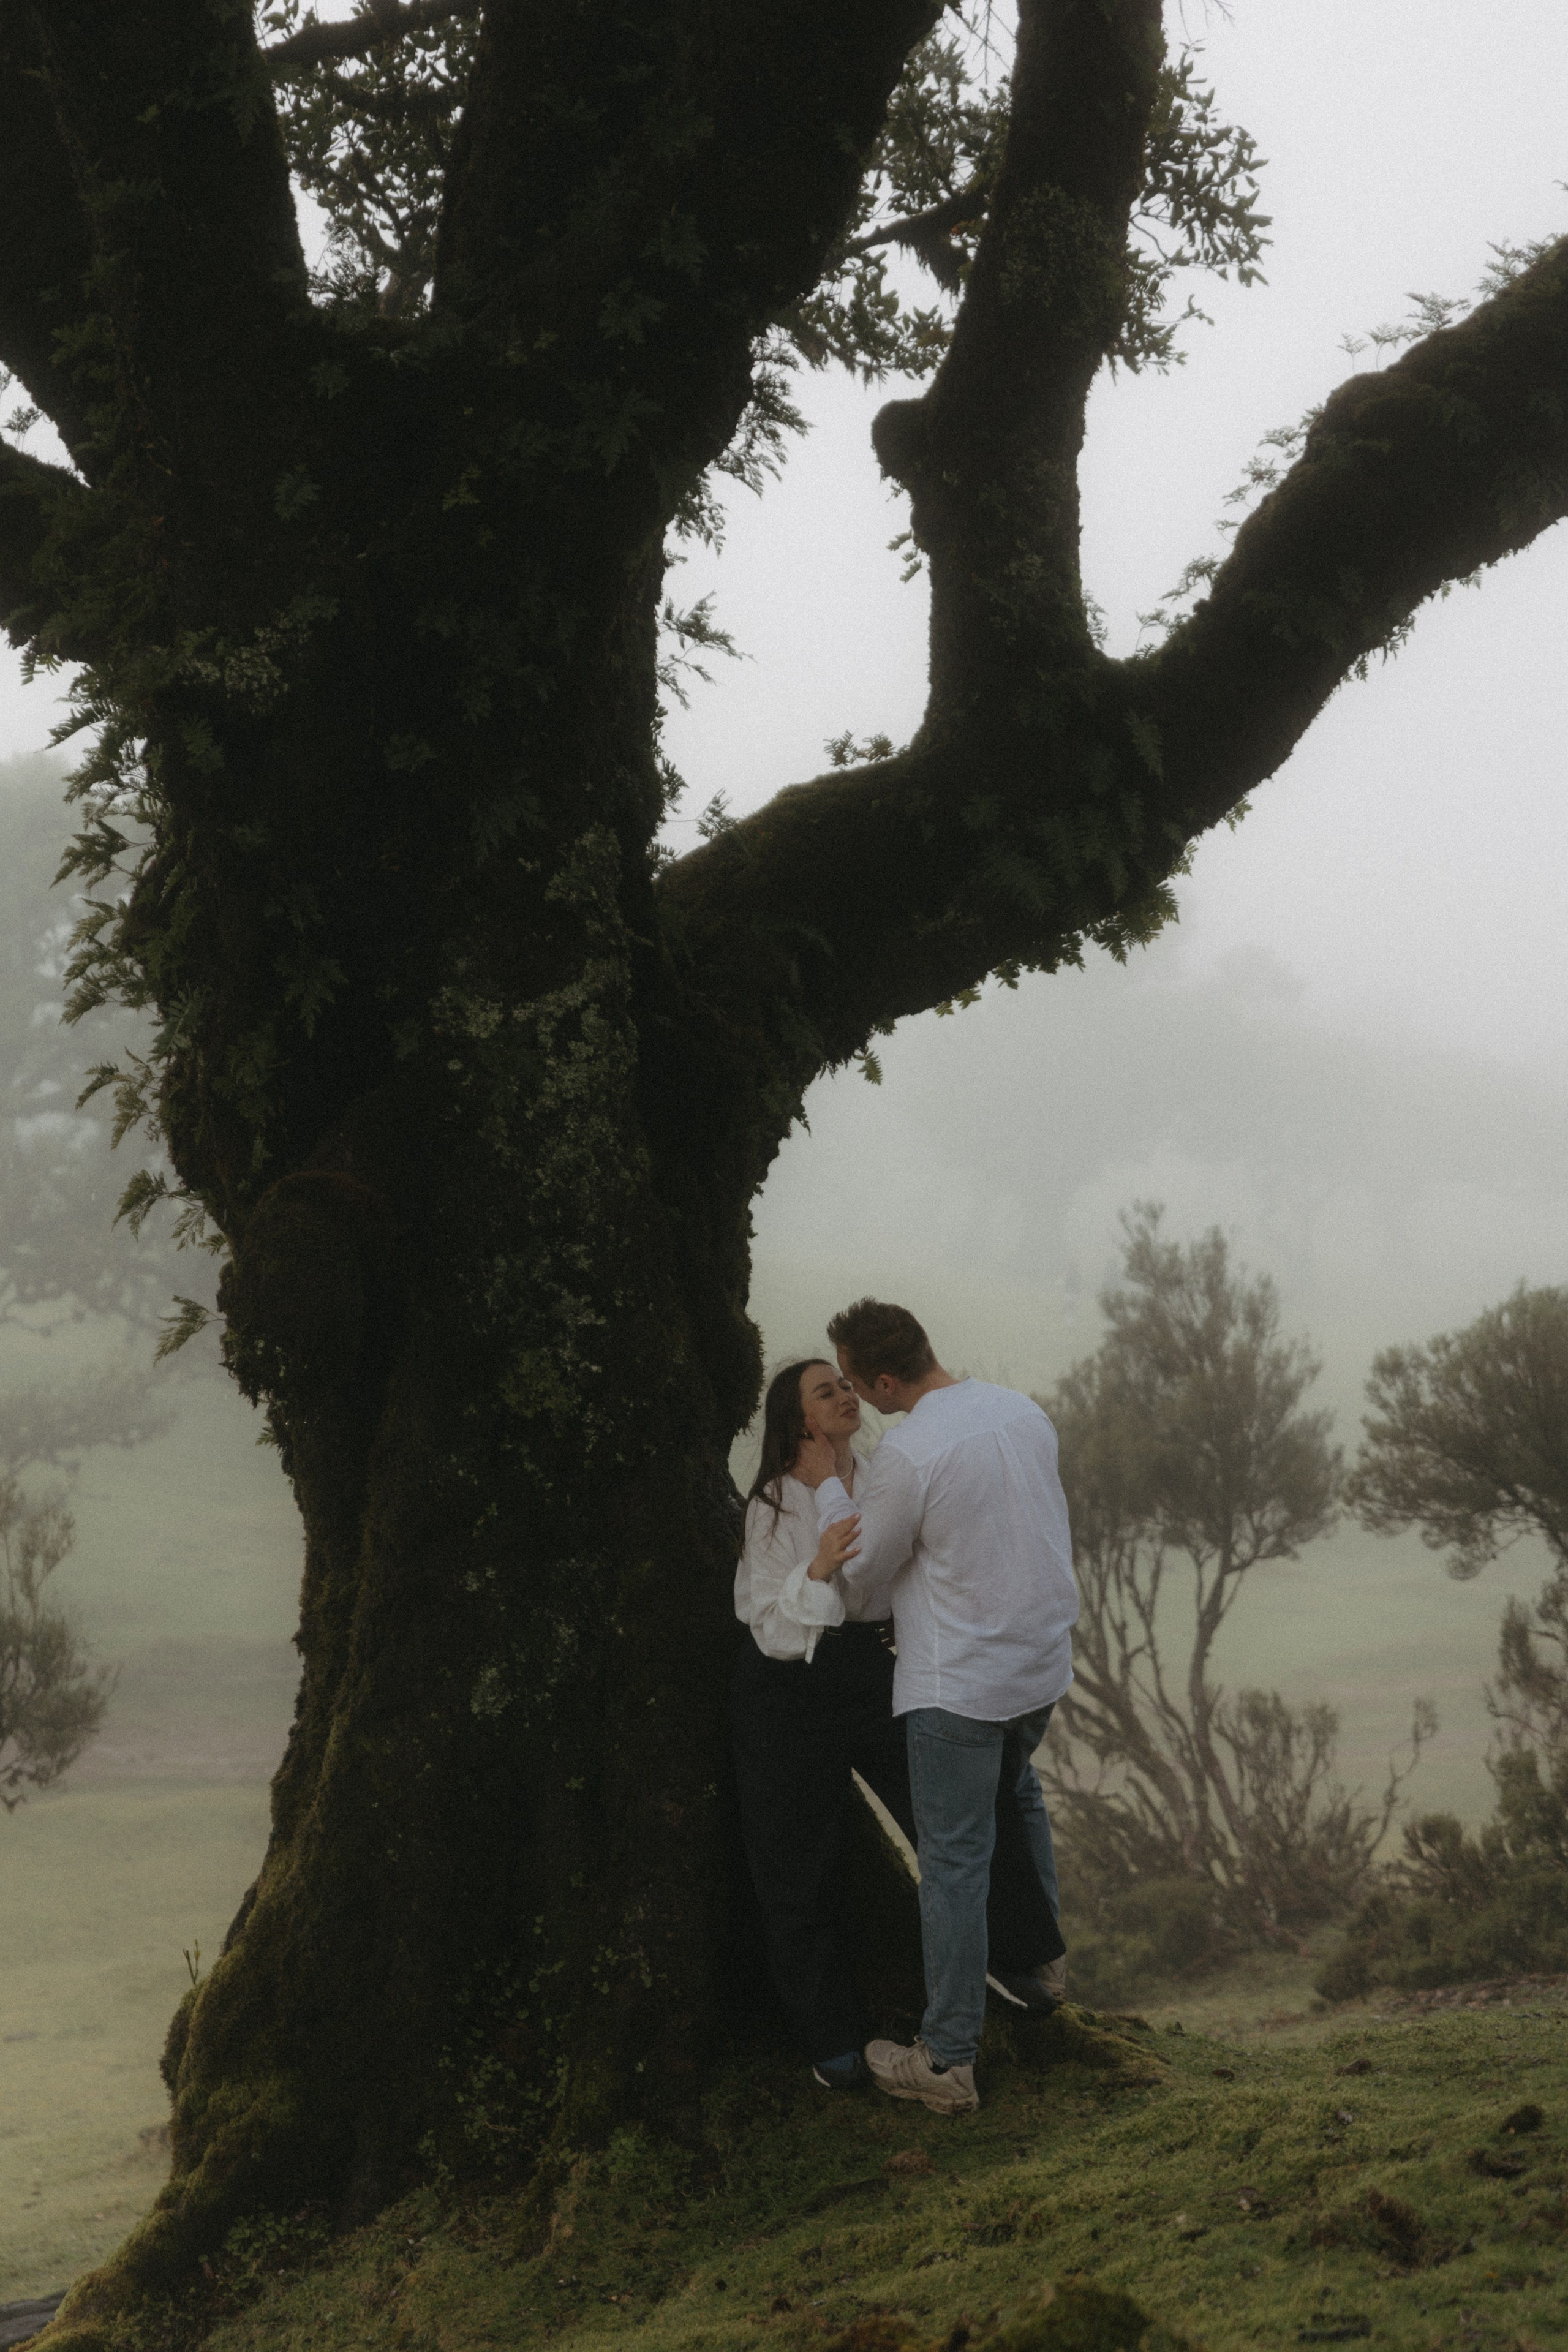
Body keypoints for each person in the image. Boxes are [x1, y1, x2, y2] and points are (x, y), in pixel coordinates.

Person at [731, 1356, 1063, 2092]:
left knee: (957, 1811)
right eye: (828, 1391)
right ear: (799, 1421)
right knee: (799, 1860)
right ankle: (832, 2041)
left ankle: (1020, 1961)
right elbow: (770, 1625)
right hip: (788, 1690)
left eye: (847, 1384)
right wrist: (816, 1569)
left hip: (879, 1668)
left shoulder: (886, 1471)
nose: (847, 1395)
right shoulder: (772, 1506)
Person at [802, 1298, 1077, 2117]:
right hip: (1041, 1667)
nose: (854, 1396)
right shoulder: (1019, 1410)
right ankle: (1038, 1966)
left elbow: (860, 1578)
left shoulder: (909, 1455)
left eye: (854, 1381)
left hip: (960, 1683)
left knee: (953, 1862)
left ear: (886, 1378)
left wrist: (824, 1494)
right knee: (1018, 1796)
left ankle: (949, 2059)